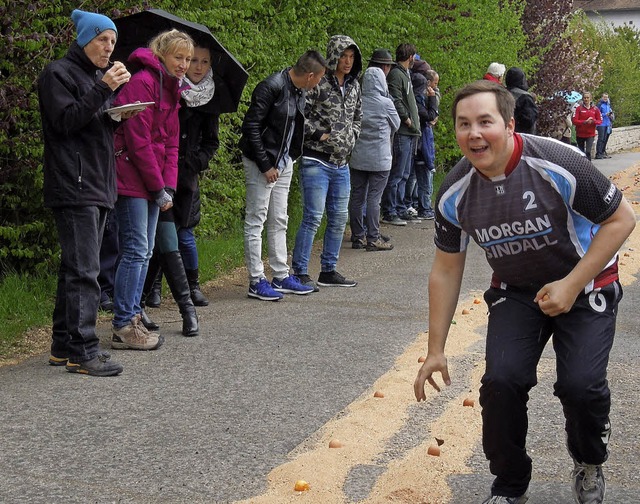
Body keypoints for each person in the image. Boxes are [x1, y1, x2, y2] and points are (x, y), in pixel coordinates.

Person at [414, 80, 636, 504]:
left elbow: (622, 219)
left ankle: (589, 461)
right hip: (517, 291)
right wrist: (435, 349)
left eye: (485, 122)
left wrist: (572, 285)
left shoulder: (556, 160)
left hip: (586, 283)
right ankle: (510, 484)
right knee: (501, 382)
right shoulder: (454, 191)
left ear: (510, 124)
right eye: (464, 124)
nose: (474, 133)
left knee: (581, 386)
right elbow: (445, 268)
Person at [38, 9, 131, 376]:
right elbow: (64, 122)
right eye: (102, 39)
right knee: (84, 271)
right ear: (83, 39)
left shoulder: (94, 78)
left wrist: (118, 114)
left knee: (72, 270)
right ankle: (83, 351)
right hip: (74, 185)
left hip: (96, 183)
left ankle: (63, 346)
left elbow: (89, 123)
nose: (108, 47)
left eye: (113, 41)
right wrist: (105, 89)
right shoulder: (57, 74)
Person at [111, 29, 195, 346]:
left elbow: (172, 144)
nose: (184, 64)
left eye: (188, 58)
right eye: (179, 57)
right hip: (131, 177)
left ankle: (132, 316)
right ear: (162, 54)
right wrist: (158, 187)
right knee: (135, 250)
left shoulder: (172, 89)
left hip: (152, 182)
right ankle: (123, 323)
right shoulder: (142, 82)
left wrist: (168, 188)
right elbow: (138, 141)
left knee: (145, 251)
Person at [239, 50, 327, 301]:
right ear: (310, 76)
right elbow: (251, 127)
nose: (318, 84)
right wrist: (265, 164)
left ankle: (280, 275)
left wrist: (288, 158)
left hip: (284, 161)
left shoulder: (298, 91)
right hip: (262, 162)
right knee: (256, 219)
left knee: (279, 218)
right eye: (319, 78)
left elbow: (293, 126)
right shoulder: (271, 87)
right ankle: (256, 280)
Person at [143, 43, 220, 311]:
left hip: (187, 177)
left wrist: (194, 163)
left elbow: (212, 142)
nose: (197, 66)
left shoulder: (211, 100)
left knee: (184, 233)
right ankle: (152, 287)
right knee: (158, 233)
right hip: (161, 170)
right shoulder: (168, 89)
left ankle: (192, 286)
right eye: (192, 60)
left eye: (204, 62)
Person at [291, 35, 362, 289]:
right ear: (334, 56)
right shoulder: (319, 82)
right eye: (343, 56)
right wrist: (317, 133)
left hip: (342, 163)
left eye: (352, 57)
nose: (347, 61)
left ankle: (328, 270)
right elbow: (300, 112)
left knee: (339, 218)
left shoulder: (354, 85)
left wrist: (351, 137)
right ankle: (299, 270)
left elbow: (357, 115)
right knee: (313, 216)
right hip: (316, 160)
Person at [348, 52, 400, 252]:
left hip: (358, 156)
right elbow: (395, 124)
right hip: (380, 157)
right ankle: (373, 236)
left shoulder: (357, 99)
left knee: (357, 196)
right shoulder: (386, 103)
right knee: (374, 198)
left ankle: (357, 236)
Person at [381, 43, 421, 226]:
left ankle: (399, 207)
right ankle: (390, 210)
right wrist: (407, 119)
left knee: (404, 173)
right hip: (403, 131)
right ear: (410, 56)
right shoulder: (397, 75)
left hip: (410, 132)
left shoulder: (406, 74)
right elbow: (396, 99)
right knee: (397, 173)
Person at [407, 68, 439, 220]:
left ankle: (417, 204)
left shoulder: (418, 102)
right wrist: (432, 99)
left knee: (415, 178)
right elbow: (430, 116)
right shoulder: (419, 102)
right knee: (424, 180)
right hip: (421, 145)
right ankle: (423, 207)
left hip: (419, 144)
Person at [505, 67, 538, 134]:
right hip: (521, 136)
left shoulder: (502, 93)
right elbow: (529, 120)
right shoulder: (525, 97)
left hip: (505, 132)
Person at [572, 91, 602, 161]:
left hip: (590, 134)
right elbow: (574, 121)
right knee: (581, 152)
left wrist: (593, 121)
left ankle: (589, 166)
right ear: (583, 99)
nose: (586, 99)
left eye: (587, 98)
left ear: (590, 98)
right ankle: (581, 166)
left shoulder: (595, 109)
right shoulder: (578, 108)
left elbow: (600, 121)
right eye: (585, 98)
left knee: (588, 152)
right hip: (580, 134)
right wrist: (584, 122)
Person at [595, 93, 614, 159]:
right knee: (601, 139)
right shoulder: (600, 104)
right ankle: (598, 153)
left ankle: (602, 152)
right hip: (601, 124)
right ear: (602, 97)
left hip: (607, 123)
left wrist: (610, 116)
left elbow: (610, 113)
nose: (605, 98)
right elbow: (597, 114)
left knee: (605, 139)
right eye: (604, 97)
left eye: (606, 97)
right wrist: (605, 114)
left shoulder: (608, 105)